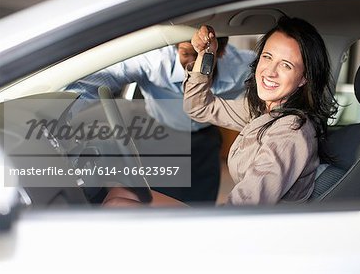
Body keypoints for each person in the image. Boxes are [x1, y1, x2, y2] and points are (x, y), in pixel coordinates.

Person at [104, 16, 337, 206]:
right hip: (241, 218)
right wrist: (206, 54)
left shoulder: (290, 132)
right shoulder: (262, 113)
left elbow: (244, 207)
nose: (270, 71)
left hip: (256, 234)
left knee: (118, 205)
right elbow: (197, 106)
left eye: (286, 65)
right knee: (120, 192)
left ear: (304, 78)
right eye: (267, 57)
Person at [65, 39, 255, 204]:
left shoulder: (243, 66)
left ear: (220, 52)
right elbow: (98, 80)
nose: (192, 64)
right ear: (175, 48)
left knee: (200, 207)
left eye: (201, 57)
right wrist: (60, 108)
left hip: (205, 139)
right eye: (186, 53)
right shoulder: (152, 61)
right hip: (160, 137)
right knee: (159, 203)